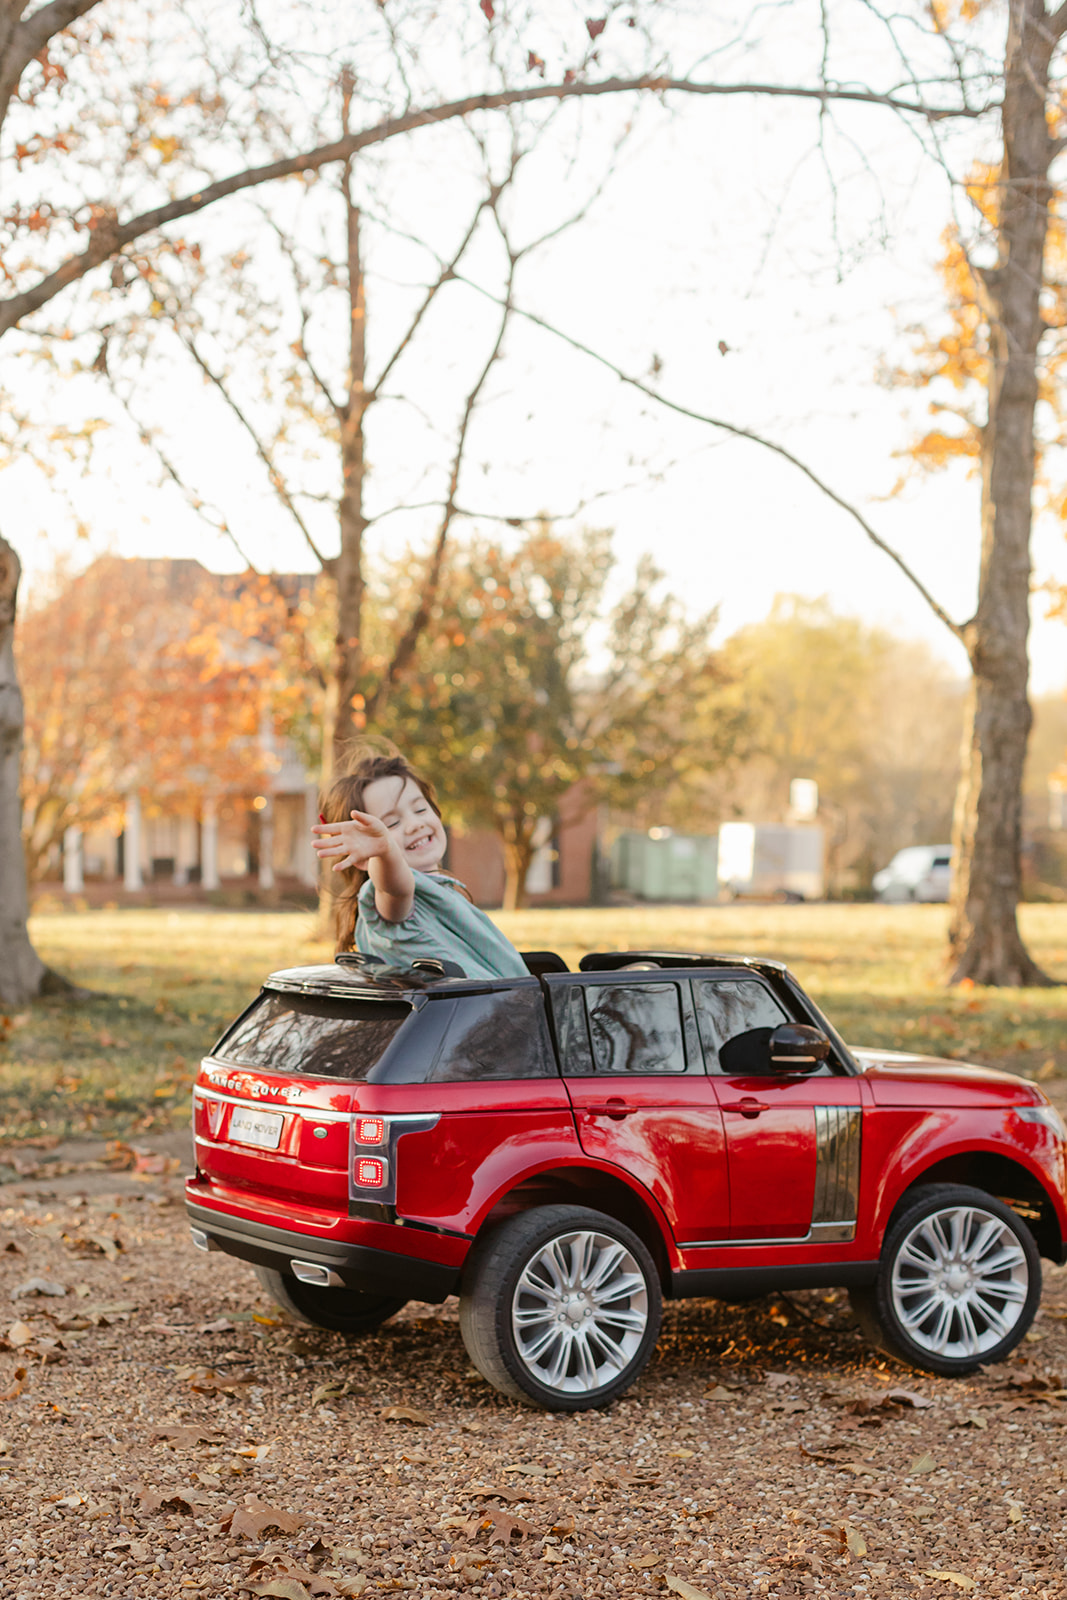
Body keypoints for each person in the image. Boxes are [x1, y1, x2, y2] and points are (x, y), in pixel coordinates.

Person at [311, 751, 529, 981]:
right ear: (365, 857)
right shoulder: (391, 901)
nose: (414, 824)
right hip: (477, 1013)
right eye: (391, 823)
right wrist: (386, 851)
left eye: (420, 809)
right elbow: (393, 886)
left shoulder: (439, 890)